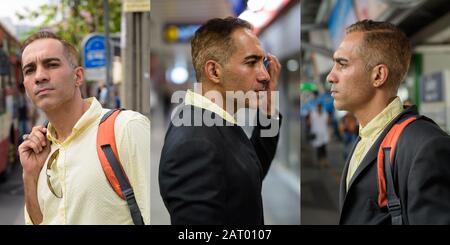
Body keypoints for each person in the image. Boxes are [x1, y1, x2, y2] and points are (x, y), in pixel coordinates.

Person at [159, 17, 281, 225]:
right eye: (251, 62)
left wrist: (269, 111)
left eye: (264, 63)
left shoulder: (212, 120)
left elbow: (248, 173)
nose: (265, 76)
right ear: (214, 71)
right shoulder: (194, 143)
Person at [18, 31, 150, 225]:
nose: (39, 76)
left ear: (78, 76)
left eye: (51, 64)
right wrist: (30, 175)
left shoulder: (125, 128)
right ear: (26, 86)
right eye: (29, 70)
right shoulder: (41, 151)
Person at [327, 19, 450, 224]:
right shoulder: (366, 137)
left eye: (342, 64)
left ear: (378, 75)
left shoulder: (426, 146)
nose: (331, 76)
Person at [308, 103, 330, 168]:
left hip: (323, 133)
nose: (319, 108)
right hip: (316, 133)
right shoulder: (313, 114)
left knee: (323, 148)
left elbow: (328, 122)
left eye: (320, 107)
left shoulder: (325, 114)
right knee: (318, 148)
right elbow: (309, 123)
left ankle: (324, 161)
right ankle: (320, 161)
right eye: (318, 107)